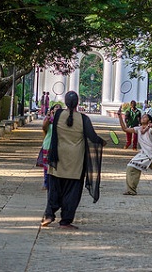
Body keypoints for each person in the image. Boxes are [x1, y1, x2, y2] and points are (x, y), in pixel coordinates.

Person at [41, 91, 106, 229]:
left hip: (58, 158)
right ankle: (65, 221)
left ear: (65, 102)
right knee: (72, 192)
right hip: (76, 162)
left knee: (54, 189)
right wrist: (102, 142)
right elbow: (92, 137)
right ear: (77, 103)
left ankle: (49, 215)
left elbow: (47, 126)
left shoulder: (58, 115)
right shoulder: (84, 119)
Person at [117, 106, 152, 195]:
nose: (143, 117)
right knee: (131, 167)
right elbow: (125, 129)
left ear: (149, 121)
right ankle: (131, 190)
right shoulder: (138, 129)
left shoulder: (150, 129)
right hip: (144, 155)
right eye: (142, 116)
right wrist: (120, 116)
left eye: (145, 117)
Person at [39, 104, 62, 190]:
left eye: (59, 108)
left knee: (57, 166)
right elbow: (44, 128)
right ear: (52, 109)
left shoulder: (62, 121)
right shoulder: (48, 119)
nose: (57, 109)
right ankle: (46, 182)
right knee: (46, 166)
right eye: (56, 107)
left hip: (58, 146)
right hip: (48, 145)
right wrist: (49, 117)